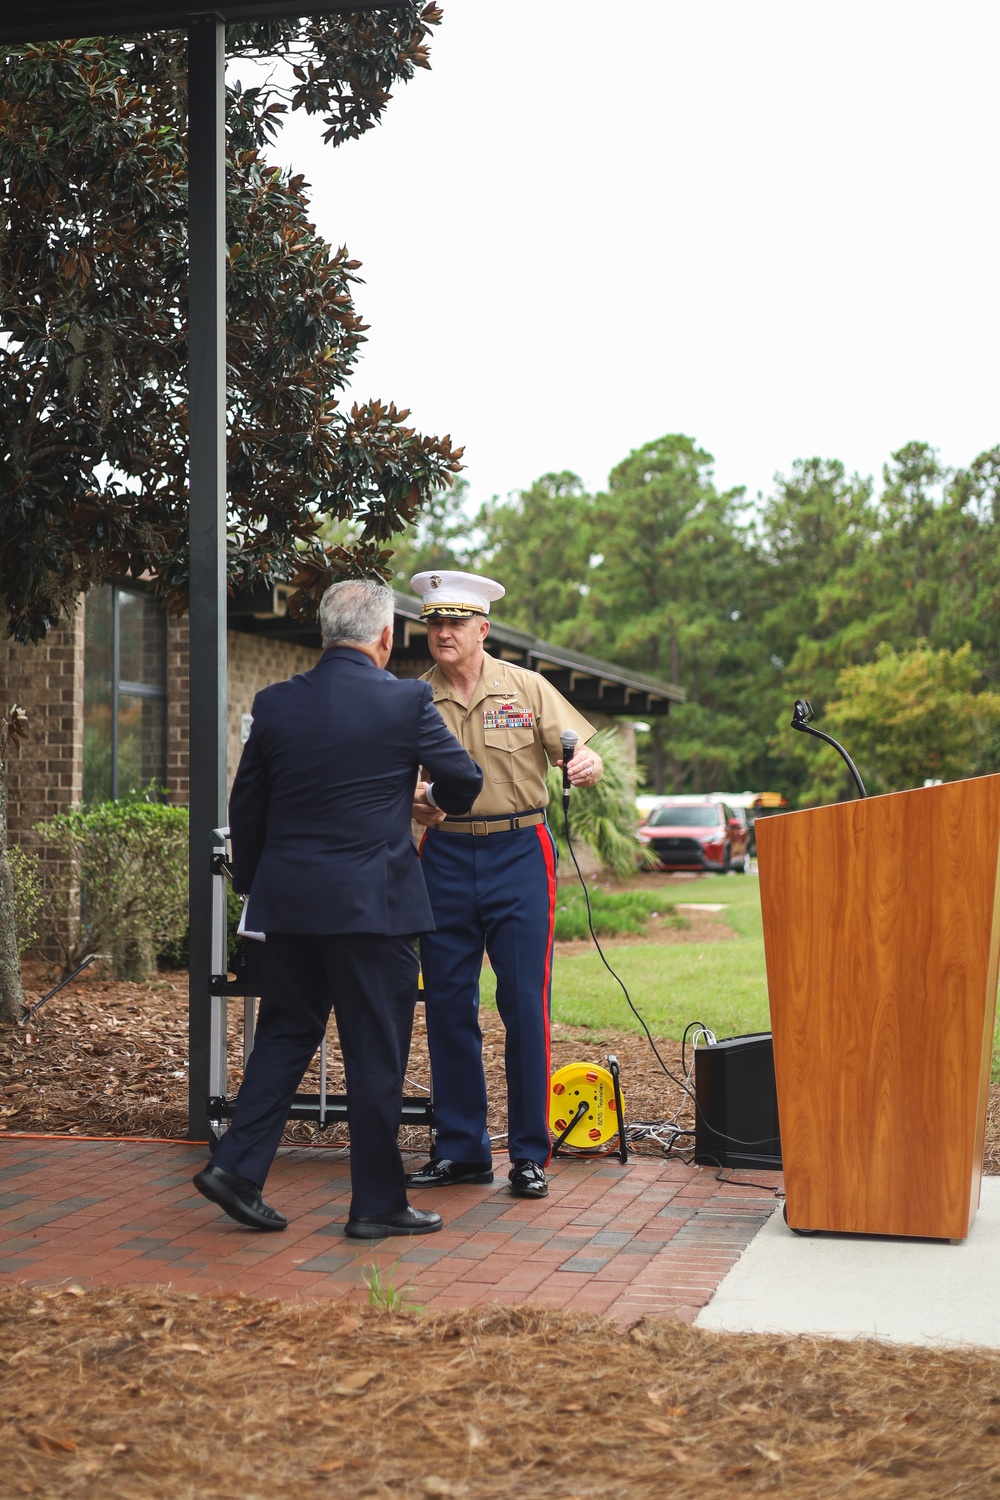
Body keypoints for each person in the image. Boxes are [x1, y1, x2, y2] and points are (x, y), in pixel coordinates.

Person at [193, 578, 483, 1237]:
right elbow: (465, 780)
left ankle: (236, 1167)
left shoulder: (275, 704)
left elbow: (247, 809)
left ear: (327, 633)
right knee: (375, 1052)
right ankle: (377, 1204)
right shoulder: (407, 700)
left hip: (291, 906)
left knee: (285, 1035)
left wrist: (256, 883)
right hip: (374, 907)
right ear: (385, 636)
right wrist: (431, 798)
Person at [406, 570, 603, 1199]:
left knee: (523, 1002)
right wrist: (413, 801)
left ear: (482, 629)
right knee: (447, 1002)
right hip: (444, 854)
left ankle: (528, 1153)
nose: (443, 632)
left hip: (520, 850)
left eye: (455, 622)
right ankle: (463, 1149)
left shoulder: (528, 687)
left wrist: (586, 763)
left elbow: (580, 754)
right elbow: (395, 780)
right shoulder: (411, 699)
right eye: (434, 622)